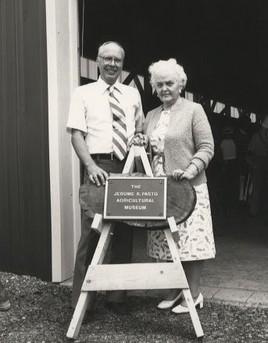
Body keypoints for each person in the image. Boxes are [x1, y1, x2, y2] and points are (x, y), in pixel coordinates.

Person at [67, 41, 144, 314]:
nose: (112, 64)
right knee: (91, 234)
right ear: (98, 61)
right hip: (98, 166)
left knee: (124, 232)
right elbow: (76, 134)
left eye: (118, 60)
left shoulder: (132, 94)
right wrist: (89, 165)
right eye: (107, 58)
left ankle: (117, 297)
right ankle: (81, 303)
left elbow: (141, 126)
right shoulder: (83, 92)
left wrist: (140, 136)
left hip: (127, 166)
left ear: (123, 64)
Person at [142, 58, 216, 313]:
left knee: (191, 242)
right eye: (159, 84)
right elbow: (146, 146)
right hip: (159, 188)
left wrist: (190, 170)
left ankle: (193, 295)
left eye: (169, 83)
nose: (164, 88)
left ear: (181, 84)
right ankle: (174, 291)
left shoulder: (194, 110)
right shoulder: (151, 115)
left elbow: (207, 146)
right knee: (165, 241)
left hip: (189, 187)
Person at [247, 115, 268, 217]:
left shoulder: (255, 136)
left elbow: (250, 151)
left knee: (256, 189)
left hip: (257, 164)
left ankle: (254, 211)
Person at [219, 124, 239, 216]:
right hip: (228, 165)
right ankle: (227, 208)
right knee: (228, 187)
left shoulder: (223, 142)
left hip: (229, 165)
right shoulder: (232, 142)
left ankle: (228, 208)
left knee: (229, 187)